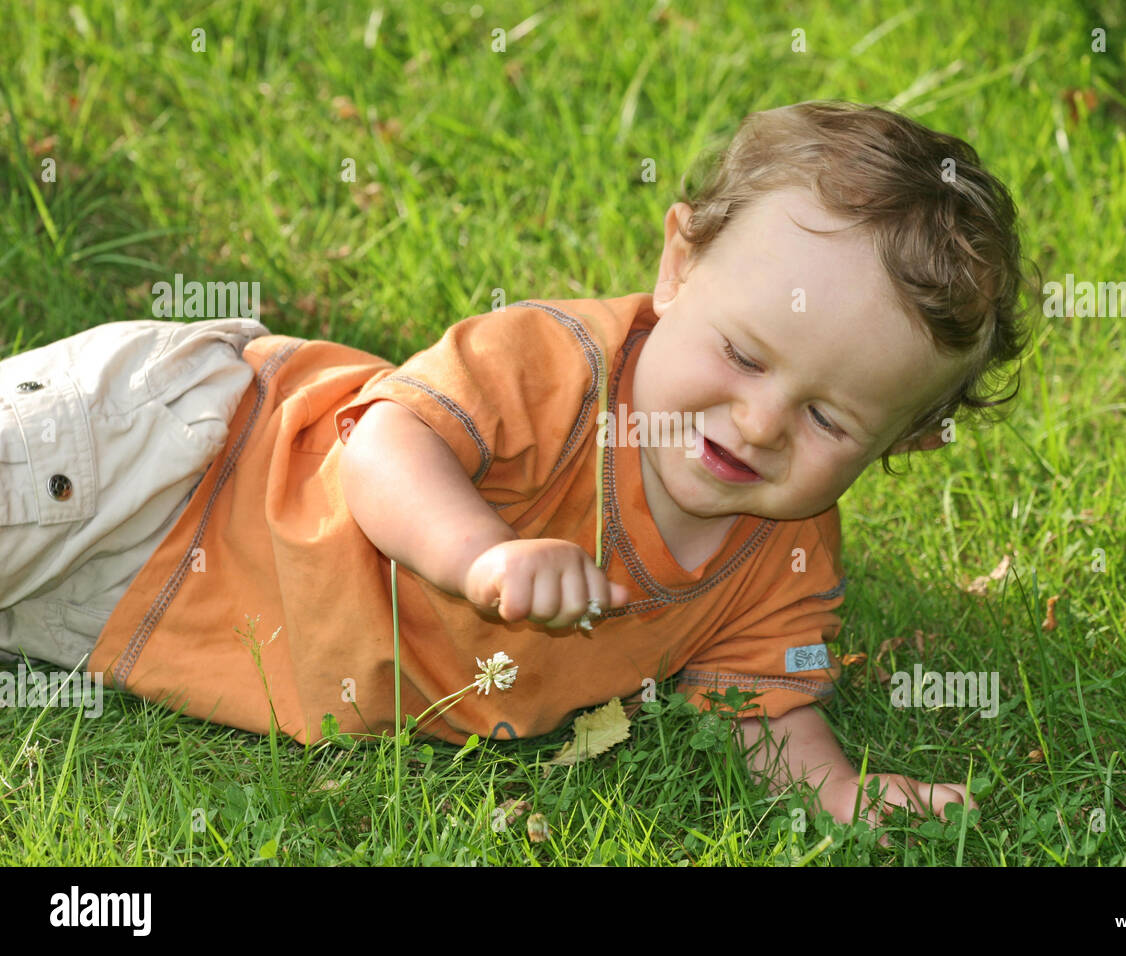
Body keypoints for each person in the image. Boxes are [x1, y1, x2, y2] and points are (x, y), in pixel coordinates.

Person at [0, 101, 1029, 832]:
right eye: (744, 354)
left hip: (135, 614)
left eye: (827, 418)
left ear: (903, 440)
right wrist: (480, 553)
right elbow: (382, 445)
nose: (757, 420)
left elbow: (760, 696)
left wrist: (835, 793)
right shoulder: (558, 368)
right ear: (679, 265)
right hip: (175, 459)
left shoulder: (783, 554)